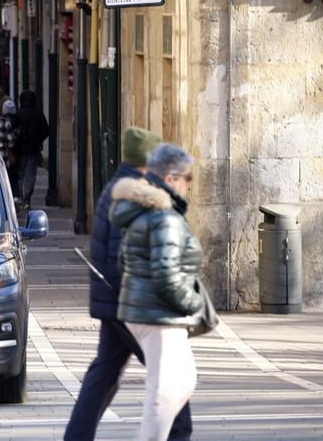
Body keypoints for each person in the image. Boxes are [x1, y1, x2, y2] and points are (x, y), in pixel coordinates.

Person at [64, 127, 197, 441]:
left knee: (104, 374)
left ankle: (77, 436)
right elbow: (123, 257)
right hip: (130, 304)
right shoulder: (134, 193)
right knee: (172, 377)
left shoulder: (119, 187)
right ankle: (179, 433)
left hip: (116, 301)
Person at [109, 143, 204, 441]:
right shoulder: (165, 218)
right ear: (171, 178)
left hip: (149, 311)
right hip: (160, 315)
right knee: (162, 395)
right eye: (188, 177)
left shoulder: (149, 213)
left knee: (183, 381)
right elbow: (167, 274)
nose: (189, 184)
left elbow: (124, 260)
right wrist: (194, 304)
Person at [14, 90, 49, 210]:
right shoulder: (38, 114)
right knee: (30, 174)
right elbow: (46, 131)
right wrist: (37, 139)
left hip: (19, 150)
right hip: (33, 149)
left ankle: (18, 197)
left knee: (19, 174)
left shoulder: (18, 114)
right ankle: (26, 199)